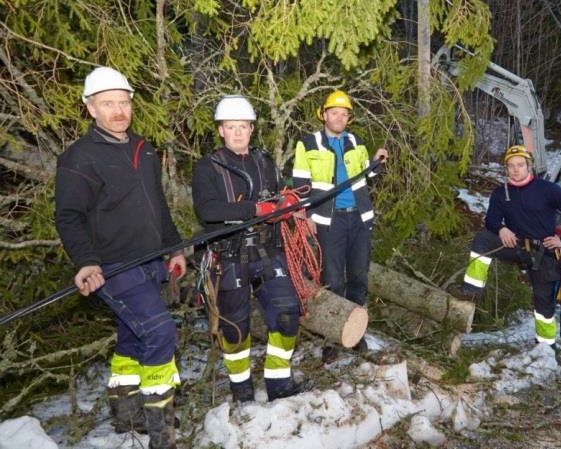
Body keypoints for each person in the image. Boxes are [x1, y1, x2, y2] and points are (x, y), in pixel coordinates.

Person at [55, 67, 186, 449]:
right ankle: (162, 432)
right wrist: (86, 262)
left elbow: (157, 206)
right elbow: (68, 216)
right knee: (160, 332)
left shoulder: (143, 151)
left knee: (133, 335)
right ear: (90, 108)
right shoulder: (78, 158)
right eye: (108, 103)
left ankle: (126, 414)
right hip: (112, 267)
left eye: (124, 102)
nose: (118, 111)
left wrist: (174, 248)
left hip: (150, 262)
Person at [192, 95, 308, 402]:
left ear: (252, 128)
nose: (238, 133)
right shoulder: (208, 167)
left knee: (287, 313)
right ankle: (241, 389)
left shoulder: (264, 161)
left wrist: (287, 202)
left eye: (243, 126)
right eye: (231, 127)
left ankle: (279, 382)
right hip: (229, 255)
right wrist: (254, 210)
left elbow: (279, 192)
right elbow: (208, 211)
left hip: (268, 249)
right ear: (221, 130)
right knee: (234, 327)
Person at [453, 145, 561, 348]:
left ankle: (545, 345)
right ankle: (471, 292)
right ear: (506, 168)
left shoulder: (546, 189)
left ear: (529, 166)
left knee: (543, 303)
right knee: (483, 239)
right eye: (511, 166)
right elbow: (491, 220)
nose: (515, 169)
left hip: (543, 252)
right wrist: (501, 229)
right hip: (515, 246)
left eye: (520, 165)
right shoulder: (501, 193)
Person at [292, 90, 388, 363]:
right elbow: (301, 184)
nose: (339, 117)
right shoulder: (308, 143)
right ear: (323, 115)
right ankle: (331, 337)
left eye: (344, 114)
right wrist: (305, 216)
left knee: (358, 277)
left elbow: (362, 175)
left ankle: (355, 333)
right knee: (332, 279)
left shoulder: (356, 141)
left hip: (358, 218)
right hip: (328, 221)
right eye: (334, 112)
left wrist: (375, 164)